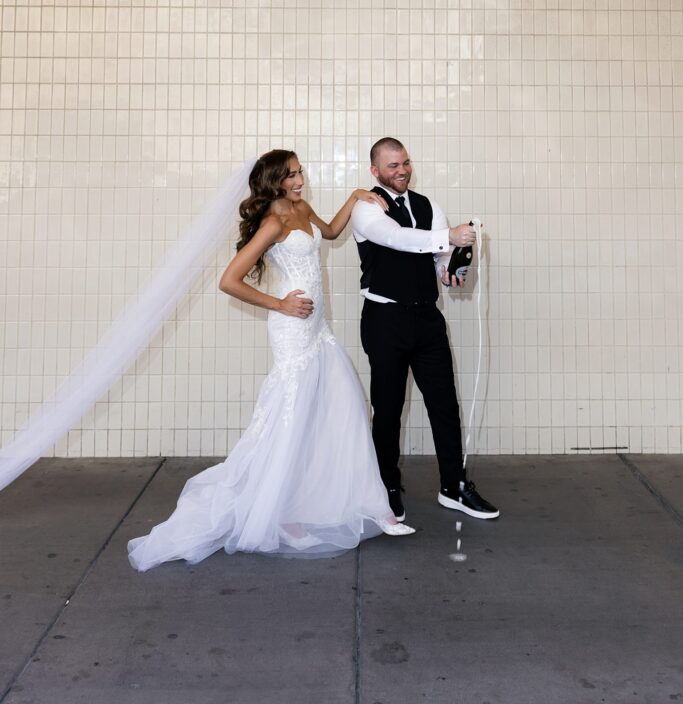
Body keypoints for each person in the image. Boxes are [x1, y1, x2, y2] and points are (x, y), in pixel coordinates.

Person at [127, 150, 414, 571]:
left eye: (300, 172)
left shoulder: (300, 207)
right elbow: (230, 280)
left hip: (318, 328)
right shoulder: (275, 220)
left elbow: (332, 233)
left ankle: (365, 503)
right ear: (275, 180)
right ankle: (282, 510)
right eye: (292, 175)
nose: (300, 180)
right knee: (292, 416)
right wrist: (278, 303)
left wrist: (355, 197)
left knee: (344, 406)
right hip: (293, 330)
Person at [351, 137, 500, 525]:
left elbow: (436, 258)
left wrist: (449, 271)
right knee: (387, 409)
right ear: (375, 171)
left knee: (445, 406)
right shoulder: (365, 207)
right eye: (391, 166)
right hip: (385, 320)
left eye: (404, 163)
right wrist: (447, 236)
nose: (401, 171)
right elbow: (397, 239)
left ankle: (454, 486)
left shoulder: (428, 205)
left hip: (427, 319)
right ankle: (386, 486)